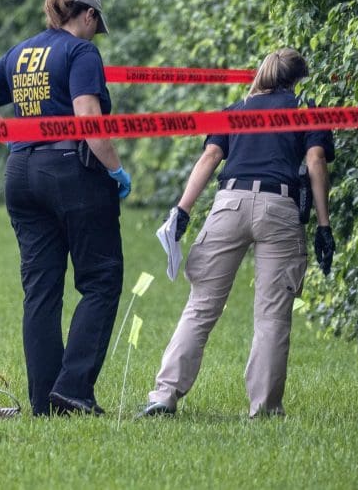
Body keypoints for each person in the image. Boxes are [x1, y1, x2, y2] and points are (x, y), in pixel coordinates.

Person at [0, 0, 131, 416]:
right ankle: (73, 389)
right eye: (97, 25)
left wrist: (15, 141)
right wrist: (115, 170)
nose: (96, 34)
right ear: (88, 16)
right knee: (101, 278)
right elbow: (88, 117)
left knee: (41, 290)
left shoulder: (23, 52)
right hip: (71, 172)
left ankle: (44, 402)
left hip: (21, 174)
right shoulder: (81, 52)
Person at [138, 47, 335, 419]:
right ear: (297, 80)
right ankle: (264, 408)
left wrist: (182, 210)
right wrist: (323, 226)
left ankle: (164, 396)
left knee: (200, 306)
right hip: (280, 207)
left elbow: (210, 158)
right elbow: (315, 161)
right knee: (273, 315)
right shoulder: (307, 112)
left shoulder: (235, 112)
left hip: (229, 203)